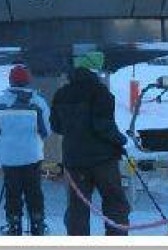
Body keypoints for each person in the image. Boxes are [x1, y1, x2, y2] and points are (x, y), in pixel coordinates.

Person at [51, 65, 130, 236]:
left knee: (78, 206)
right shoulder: (100, 92)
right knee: (114, 201)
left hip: (75, 160)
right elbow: (103, 125)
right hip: (103, 160)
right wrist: (120, 141)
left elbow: (56, 126)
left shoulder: (61, 95)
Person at [0, 64, 51, 235]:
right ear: (28, 81)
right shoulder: (38, 102)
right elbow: (46, 130)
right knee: (34, 191)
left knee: (12, 192)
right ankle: (37, 223)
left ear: (10, 81)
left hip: (9, 158)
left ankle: (13, 224)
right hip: (32, 156)